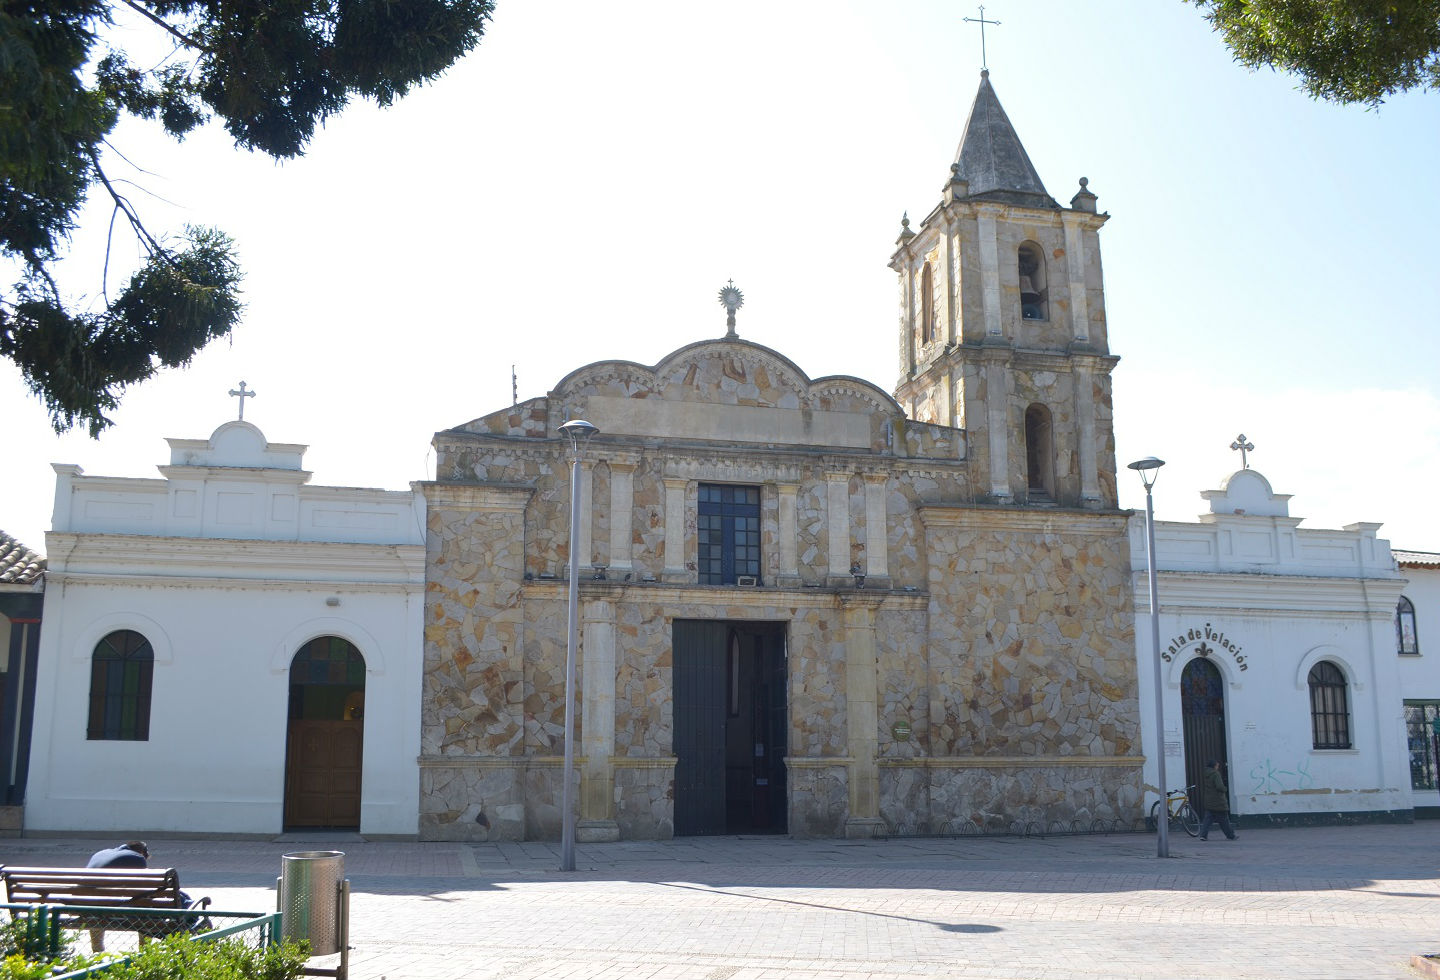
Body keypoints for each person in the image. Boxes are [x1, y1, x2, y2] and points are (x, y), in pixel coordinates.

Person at [1198, 760, 1238, 841]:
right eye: (1217, 766)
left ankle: (1203, 835)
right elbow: (1219, 786)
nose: (1218, 767)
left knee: (1207, 820)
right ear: (1214, 766)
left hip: (1209, 799)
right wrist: (1225, 789)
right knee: (1224, 820)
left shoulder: (1206, 774)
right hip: (1218, 800)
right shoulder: (1216, 774)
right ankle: (1231, 835)